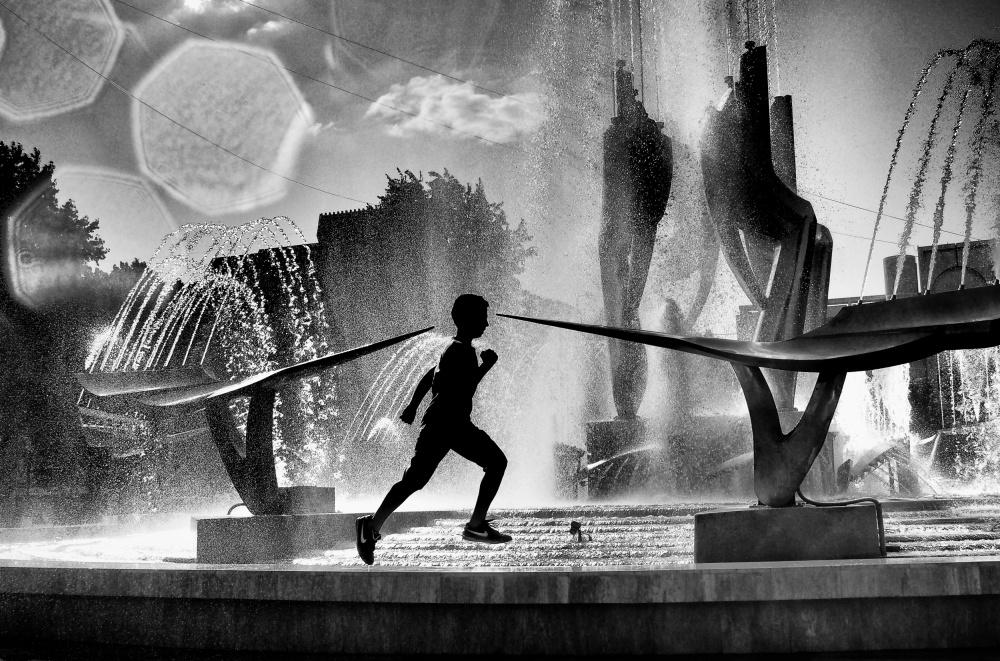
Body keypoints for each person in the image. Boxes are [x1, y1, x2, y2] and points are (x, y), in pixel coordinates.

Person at [355, 294, 510, 565]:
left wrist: (413, 406)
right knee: (496, 463)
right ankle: (475, 526)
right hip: (451, 423)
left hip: (441, 423)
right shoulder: (463, 351)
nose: (486, 324)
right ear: (468, 320)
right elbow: (464, 388)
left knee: (414, 480)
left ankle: (371, 526)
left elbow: (431, 375)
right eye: (482, 318)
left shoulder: (452, 347)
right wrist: (486, 366)